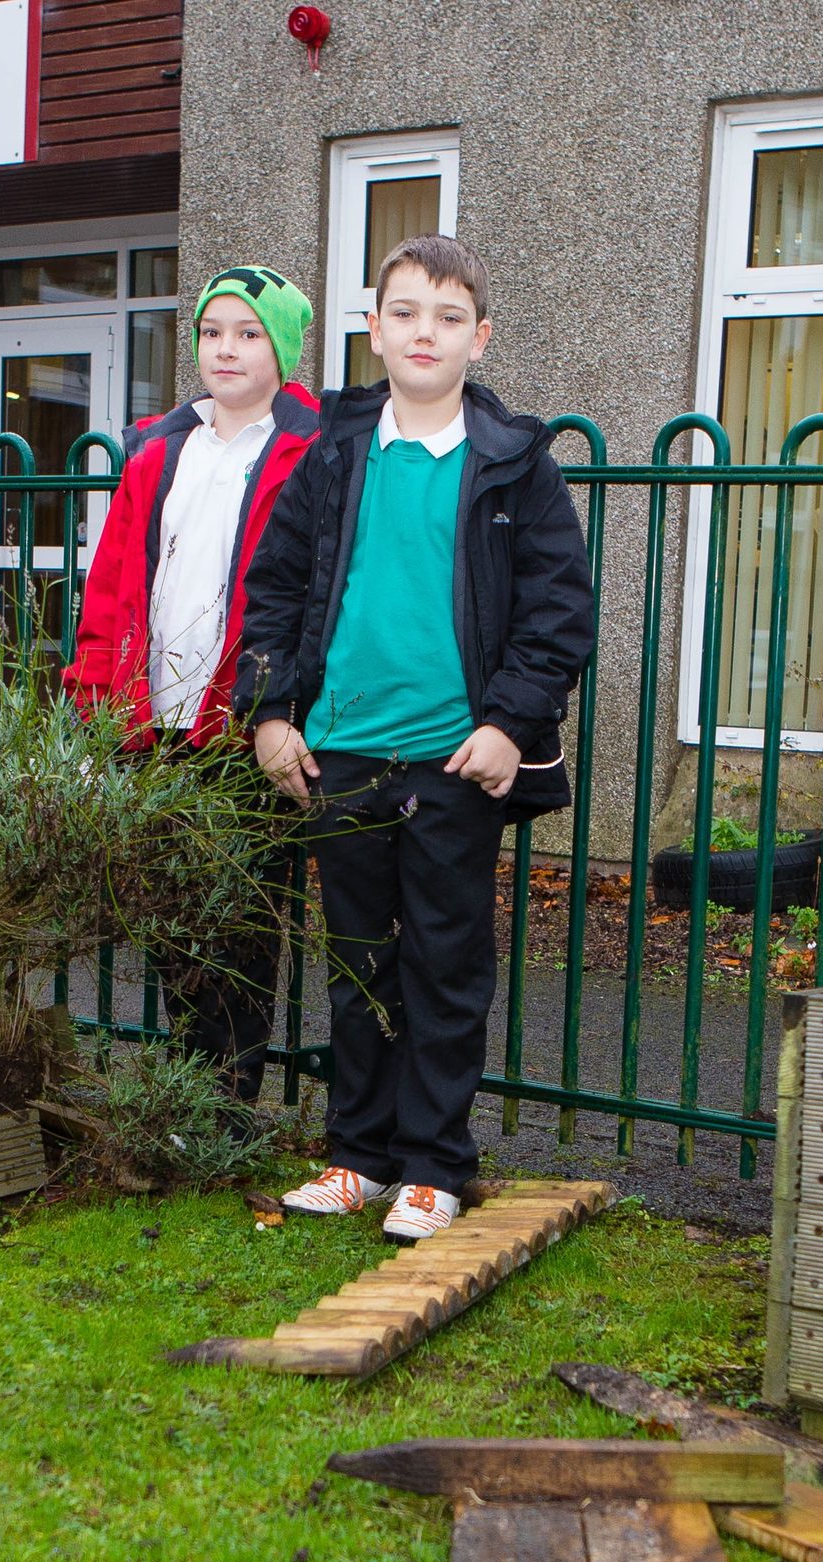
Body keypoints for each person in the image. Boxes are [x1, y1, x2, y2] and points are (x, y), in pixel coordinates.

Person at [234, 234, 595, 1242]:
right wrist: (269, 715)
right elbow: (273, 592)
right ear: (373, 330)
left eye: (446, 316)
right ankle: (358, 1154)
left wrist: (505, 727)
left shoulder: (514, 467)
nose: (422, 332)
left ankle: (435, 1167)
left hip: (452, 765)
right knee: (357, 964)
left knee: (443, 965)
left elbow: (556, 615)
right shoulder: (334, 457)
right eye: (403, 312)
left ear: (479, 337)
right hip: (339, 755)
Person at [61, 265, 322, 1099]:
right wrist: (96, 700)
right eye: (213, 333)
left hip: (243, 727)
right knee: (172, 918)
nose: (226, 349)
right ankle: (187, 1088)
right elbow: (112, 587)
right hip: (155, 725)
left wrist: (285, 705)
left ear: (280, 348)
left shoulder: (312, 452)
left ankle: (229, 1102)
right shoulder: (156, 447)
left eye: (248, 334)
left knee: (244, 923)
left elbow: (313, 596)